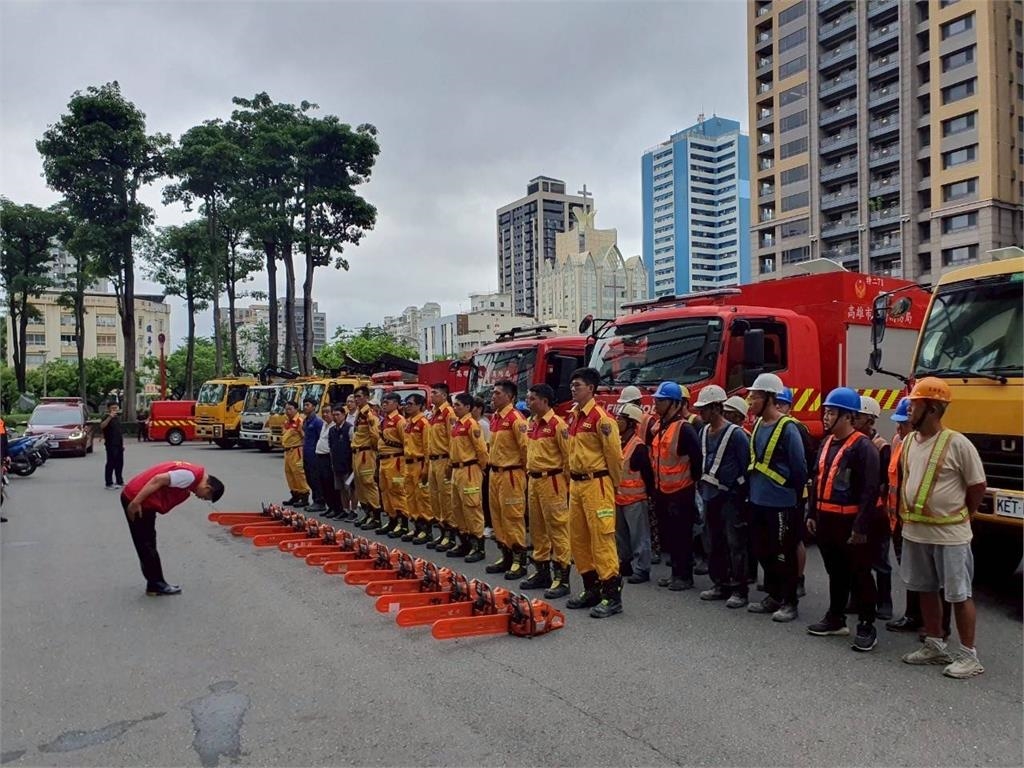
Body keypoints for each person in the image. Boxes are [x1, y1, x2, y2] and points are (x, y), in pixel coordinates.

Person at [899, 378, 987, 679]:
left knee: (959, 594)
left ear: (933, 409)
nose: (909, 409)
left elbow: (977, 486)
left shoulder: (957, 443)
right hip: (916, 531)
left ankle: (969, 656)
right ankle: (935, 645)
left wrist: (965, 513)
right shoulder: (909, 441)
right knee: (925, 589)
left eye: (915, 404)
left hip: (950, 535)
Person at [805, 387, 882, 651]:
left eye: (831, 413)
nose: (826, 417)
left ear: (848, 416)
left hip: (850, 523)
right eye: (826, 412)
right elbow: (817, 480)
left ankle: (866, 624)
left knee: (860, 574)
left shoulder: (863, 447)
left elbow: (870, 491)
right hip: (826, 520)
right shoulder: (827, 443)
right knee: (835, 572)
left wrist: (861, 527)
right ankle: (836, 618)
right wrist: (812, 513)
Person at [885, 397, 951, 637]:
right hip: (901, 520)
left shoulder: (932, 446)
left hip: (923, 523)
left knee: (935, 579)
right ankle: (913, 616)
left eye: (903, 423)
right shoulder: (900, 443)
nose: (898, 428)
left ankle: (940, 627)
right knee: (911, 574)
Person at [746, 373, 807, 622]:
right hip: (758, 500)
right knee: (763, 550)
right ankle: (773, 595)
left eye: (755, 397)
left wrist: (795, 501)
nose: (750, 402)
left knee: (785, 553)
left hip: (782, 503)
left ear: (769, 398)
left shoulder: (788, 429)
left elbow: (799, 468)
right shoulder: (758, 425)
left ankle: (789, 602)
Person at [565, 367, 624, 619]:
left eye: (577, 385)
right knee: (578, 539)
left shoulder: (602, 419)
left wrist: (613, 486)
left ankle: (612, 594)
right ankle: (591, 588)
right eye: (572, 385)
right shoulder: (574, 417)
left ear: (591, 388)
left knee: (602, 539)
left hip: (596, 484)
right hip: (577, 485)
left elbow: (614, 457)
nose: (573, 389)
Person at [121, 461, 224, 595]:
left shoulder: (192, 473)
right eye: (205, 497)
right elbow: (158, 479)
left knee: (146, 542)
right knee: (146, 544)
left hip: (140, 498)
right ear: (208, 488)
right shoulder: (189, 477)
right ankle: (156, 584)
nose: (200, 497)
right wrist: (135, 502)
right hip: (137, 500)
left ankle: (154, 583)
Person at [693, 385, 751, 609]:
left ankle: (739, 589)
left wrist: (743, 499)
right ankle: (720, 583)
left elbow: (745, 467)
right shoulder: (703, 432)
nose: (701, 413)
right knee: (713, 542)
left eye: (705, 409)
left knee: (735, 544)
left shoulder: (736, 435)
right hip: (710, 496)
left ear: (717, 408)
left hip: (731, 497)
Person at [649, 381, 702, 592]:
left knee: (682, 536)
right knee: (670, 536)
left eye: (660, 401)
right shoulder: (662, 426)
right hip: (663, 490)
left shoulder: (685, 428)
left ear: (674, 403)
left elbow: (697, 459)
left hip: (681, 491)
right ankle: (675, 574)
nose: (656, 404)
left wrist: (691, 482)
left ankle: (684, 576)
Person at [521, 383, 572, 597]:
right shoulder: (530, 423)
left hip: (552, 481)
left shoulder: (558, 425)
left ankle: (562, 577)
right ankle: (542, 572)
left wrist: (566, 486)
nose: (528, 401)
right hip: (534, 481)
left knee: (557, 529)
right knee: (537, 528)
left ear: (544, 401)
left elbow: (568, 458)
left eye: (532, 398)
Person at [855, 395, 894, 620]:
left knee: (880, 559)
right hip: (857, 508)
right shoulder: (853, 442)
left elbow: (884, 483)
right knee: (857, 558)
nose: (853, 419)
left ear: (870, 419)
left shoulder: (881, 446)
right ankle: (857, 598)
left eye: (858, 416)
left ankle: (885, 601)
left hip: (877, 511)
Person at [486, 380, 529, 580]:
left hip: (511, 474)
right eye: (493, 393)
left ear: (510, 397)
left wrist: (525, 474)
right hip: (495, 474)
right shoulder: (495, 418)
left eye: (497, 393)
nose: (493, 396)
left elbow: (525, 449)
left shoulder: (516, 419)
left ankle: (519, 560)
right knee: (498, 517)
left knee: (512, 517)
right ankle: (506, 556)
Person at [777, 386, 816, 598]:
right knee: (779, 539)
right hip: (777, 492)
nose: (778, 407)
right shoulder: (769, 425)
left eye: (782, 404)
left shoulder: (796, 428)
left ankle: (798, 579)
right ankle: (781, 577)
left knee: (795, 538)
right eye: (776, 403)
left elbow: (808, 461)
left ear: (790, 407)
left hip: (795, 492)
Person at [446, 392, 489, 563]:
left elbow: (481, 450)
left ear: (468, 407)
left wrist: (481, 468)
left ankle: (478, 546)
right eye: (454, 405)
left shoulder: (471, 424)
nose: (455, 408)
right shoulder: (457, 425)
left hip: (469, 470)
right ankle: (464, 542)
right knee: (457, 507)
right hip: (457, 471)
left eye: (458, 405)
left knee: (472, 507)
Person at [614, 403, 654, 585]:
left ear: (631, 423)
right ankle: (625, 563)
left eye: (621, 419)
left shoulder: (638, 447)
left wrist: (650, 495)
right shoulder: (618, 442)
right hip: (619, 497)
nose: (617, 422)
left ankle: (642, 568)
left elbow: (647, 474)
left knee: (639, 536)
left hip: (635, 499)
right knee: (621, 535)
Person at [426, 383, 456, 550]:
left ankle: (450, 535)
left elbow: (452, 439)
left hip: (444, 460)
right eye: (431, 393)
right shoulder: (433, 413)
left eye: (435, 393)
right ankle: (442, 531)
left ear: (444, 396)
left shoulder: (448, 413)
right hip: (433, 460)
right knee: (435, 498)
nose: (432, 396)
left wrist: (451, 463)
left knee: (445, 498)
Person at [376, 392, 410, 538]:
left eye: (388, 402)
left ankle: (403, 524)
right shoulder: (384, 420)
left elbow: (406, 442)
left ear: (396, 404)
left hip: (396, 461)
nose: (384, 404)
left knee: (397, 491)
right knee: (385, 491)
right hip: (384, 461)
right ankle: (392, 520)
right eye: (383, 402)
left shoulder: (399, 420)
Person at [351, 386, 383, 530]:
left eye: (359, 396)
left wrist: (373, 451)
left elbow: (375, 435)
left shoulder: (370, 414)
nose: (356, 399)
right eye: (355, 397)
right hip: (357, 453)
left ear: (366, 397)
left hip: (366, 453)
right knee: (360, 485)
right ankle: (367, 513)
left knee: (368, 484)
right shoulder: (360, 413)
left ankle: (375, 516)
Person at [402, 393, 432, 544]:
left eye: (411, 404)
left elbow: (427, 447)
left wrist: (426, 467)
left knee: (422, 497)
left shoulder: (423, 423)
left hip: (419, 463)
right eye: (406, 404)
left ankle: (426, 529)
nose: (407, 406)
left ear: (420, 406)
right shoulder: (408, 423)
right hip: (408, 464)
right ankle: (417, 526)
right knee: (410, 496)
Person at [326, 403, 354, 520]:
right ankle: (345, 509)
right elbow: (331, 447)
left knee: (350, 489)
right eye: (334, 415)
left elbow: (353, 447)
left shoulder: (349, 428)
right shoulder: (332, 430)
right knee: (341, 489)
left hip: (348, 464)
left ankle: (353, 511)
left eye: (338, 414)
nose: (335, 417)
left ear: (344, 415)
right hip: (336, 464)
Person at [281, 401, 310, 507]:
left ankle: (304, 495)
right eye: (286, 409)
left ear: (296, 409)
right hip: (287, 451)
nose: (287, 411)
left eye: (290, 409)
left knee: (298, 474)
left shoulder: (300, 421)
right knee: (289, 473)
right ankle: (295, 494)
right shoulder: (286, 422)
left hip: (296, 450)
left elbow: (305, 437)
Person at [308, 404, 336, 515]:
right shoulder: (324, 424)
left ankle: (335, 507)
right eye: (323, 412)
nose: (325, 414)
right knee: (322, 483)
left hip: (328, 457)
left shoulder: (334, 426)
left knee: (330, 483)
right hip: (319, 456)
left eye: (327, 412)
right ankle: (330, 506)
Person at [301, 399, 326, 511]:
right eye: (304, 405)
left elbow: (321, 438)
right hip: (306, 454)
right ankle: (315, 500)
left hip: (314, 455)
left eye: (308, 405)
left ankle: (320, 501)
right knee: (309, 479)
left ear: (314, 407)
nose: (305, 407)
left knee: (316, 479)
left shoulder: (318, 422)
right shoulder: (306, 421)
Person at [101, 401, 125, 490]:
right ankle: (109, 483)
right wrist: (109, 417)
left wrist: (122, 444)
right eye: (113, 408)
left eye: (116, 408)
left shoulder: (117, 418)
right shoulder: (106, 417)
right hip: (111, 444)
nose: (115, 410)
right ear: (108, 409)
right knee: (111, 463)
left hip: (119, 444)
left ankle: (119, 481)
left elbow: (119, 432)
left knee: (119, 463)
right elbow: (102, 426)